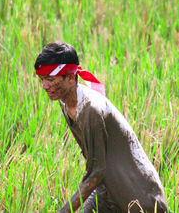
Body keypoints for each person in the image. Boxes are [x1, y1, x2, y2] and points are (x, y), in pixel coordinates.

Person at [34, 42, 170, 212]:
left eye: (50, 80)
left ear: (70, 77)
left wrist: (64, 211)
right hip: (107, 189)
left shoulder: (91, 108)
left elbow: (96, 171)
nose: (45, 86)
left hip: (137, 197)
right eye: (42, 80)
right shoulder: (64, 101)